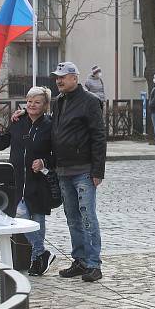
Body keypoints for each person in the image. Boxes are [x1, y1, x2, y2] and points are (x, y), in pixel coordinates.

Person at [0, 87, 56, 276]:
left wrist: (44, 162)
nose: (32, 105)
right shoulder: (18, 122)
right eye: (29, 101)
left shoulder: (50, 125)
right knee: (20, 218)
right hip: (18, 181)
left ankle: (37, 259)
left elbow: (57, 154)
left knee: (37, 220)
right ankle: (42, 253)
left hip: (38, 182)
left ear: (45, 105)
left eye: (37, 102)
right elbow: (2, 143)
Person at [50, 61, 107, 282]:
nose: (59, 80)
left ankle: (94, 264)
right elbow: (53, 129)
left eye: (63, 77)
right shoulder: (58, 102)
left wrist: (97, 170)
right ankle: (80, 260)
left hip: (83, 169)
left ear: (75, 78)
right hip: (63, 169)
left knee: (87, 217)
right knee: (72, 218)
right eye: (57, 77)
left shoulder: (90, 102)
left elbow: (98, 137)